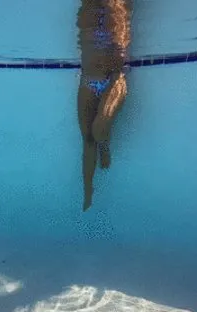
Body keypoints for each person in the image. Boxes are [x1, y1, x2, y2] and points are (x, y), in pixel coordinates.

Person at [76, 0, 133, 211]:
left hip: (114, 79)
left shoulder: (118, 5)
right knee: (87, 138)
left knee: (98, 131)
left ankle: (105, 146)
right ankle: (88, 191)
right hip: (88, 80)